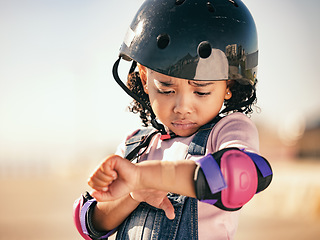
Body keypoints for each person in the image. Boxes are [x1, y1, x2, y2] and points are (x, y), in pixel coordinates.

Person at [73, 0, 273, 239]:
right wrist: (132, 194)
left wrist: (141, 176)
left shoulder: (227, 131)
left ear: (229, 85)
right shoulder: (135, 145)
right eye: (166, 89)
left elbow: (240, 176)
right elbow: (90, 224)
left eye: (201, 91)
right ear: (145, 78)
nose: (182, 107)